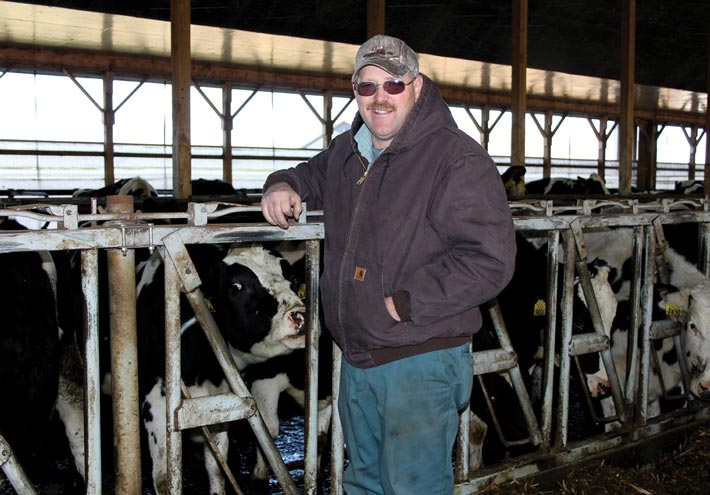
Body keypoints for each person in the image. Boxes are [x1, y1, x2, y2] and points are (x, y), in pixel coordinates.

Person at [261, 34, 516, 495]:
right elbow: (313, 174)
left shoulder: (455, 158)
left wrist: (404, 302)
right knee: (364, 482)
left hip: (420, 354)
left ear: (416, 87)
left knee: (411, 485)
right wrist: (284, 183)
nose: (379, 98)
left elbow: (490, 259)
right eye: (366, 86)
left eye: (393, 85)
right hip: (360, 355)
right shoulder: (349, 148)